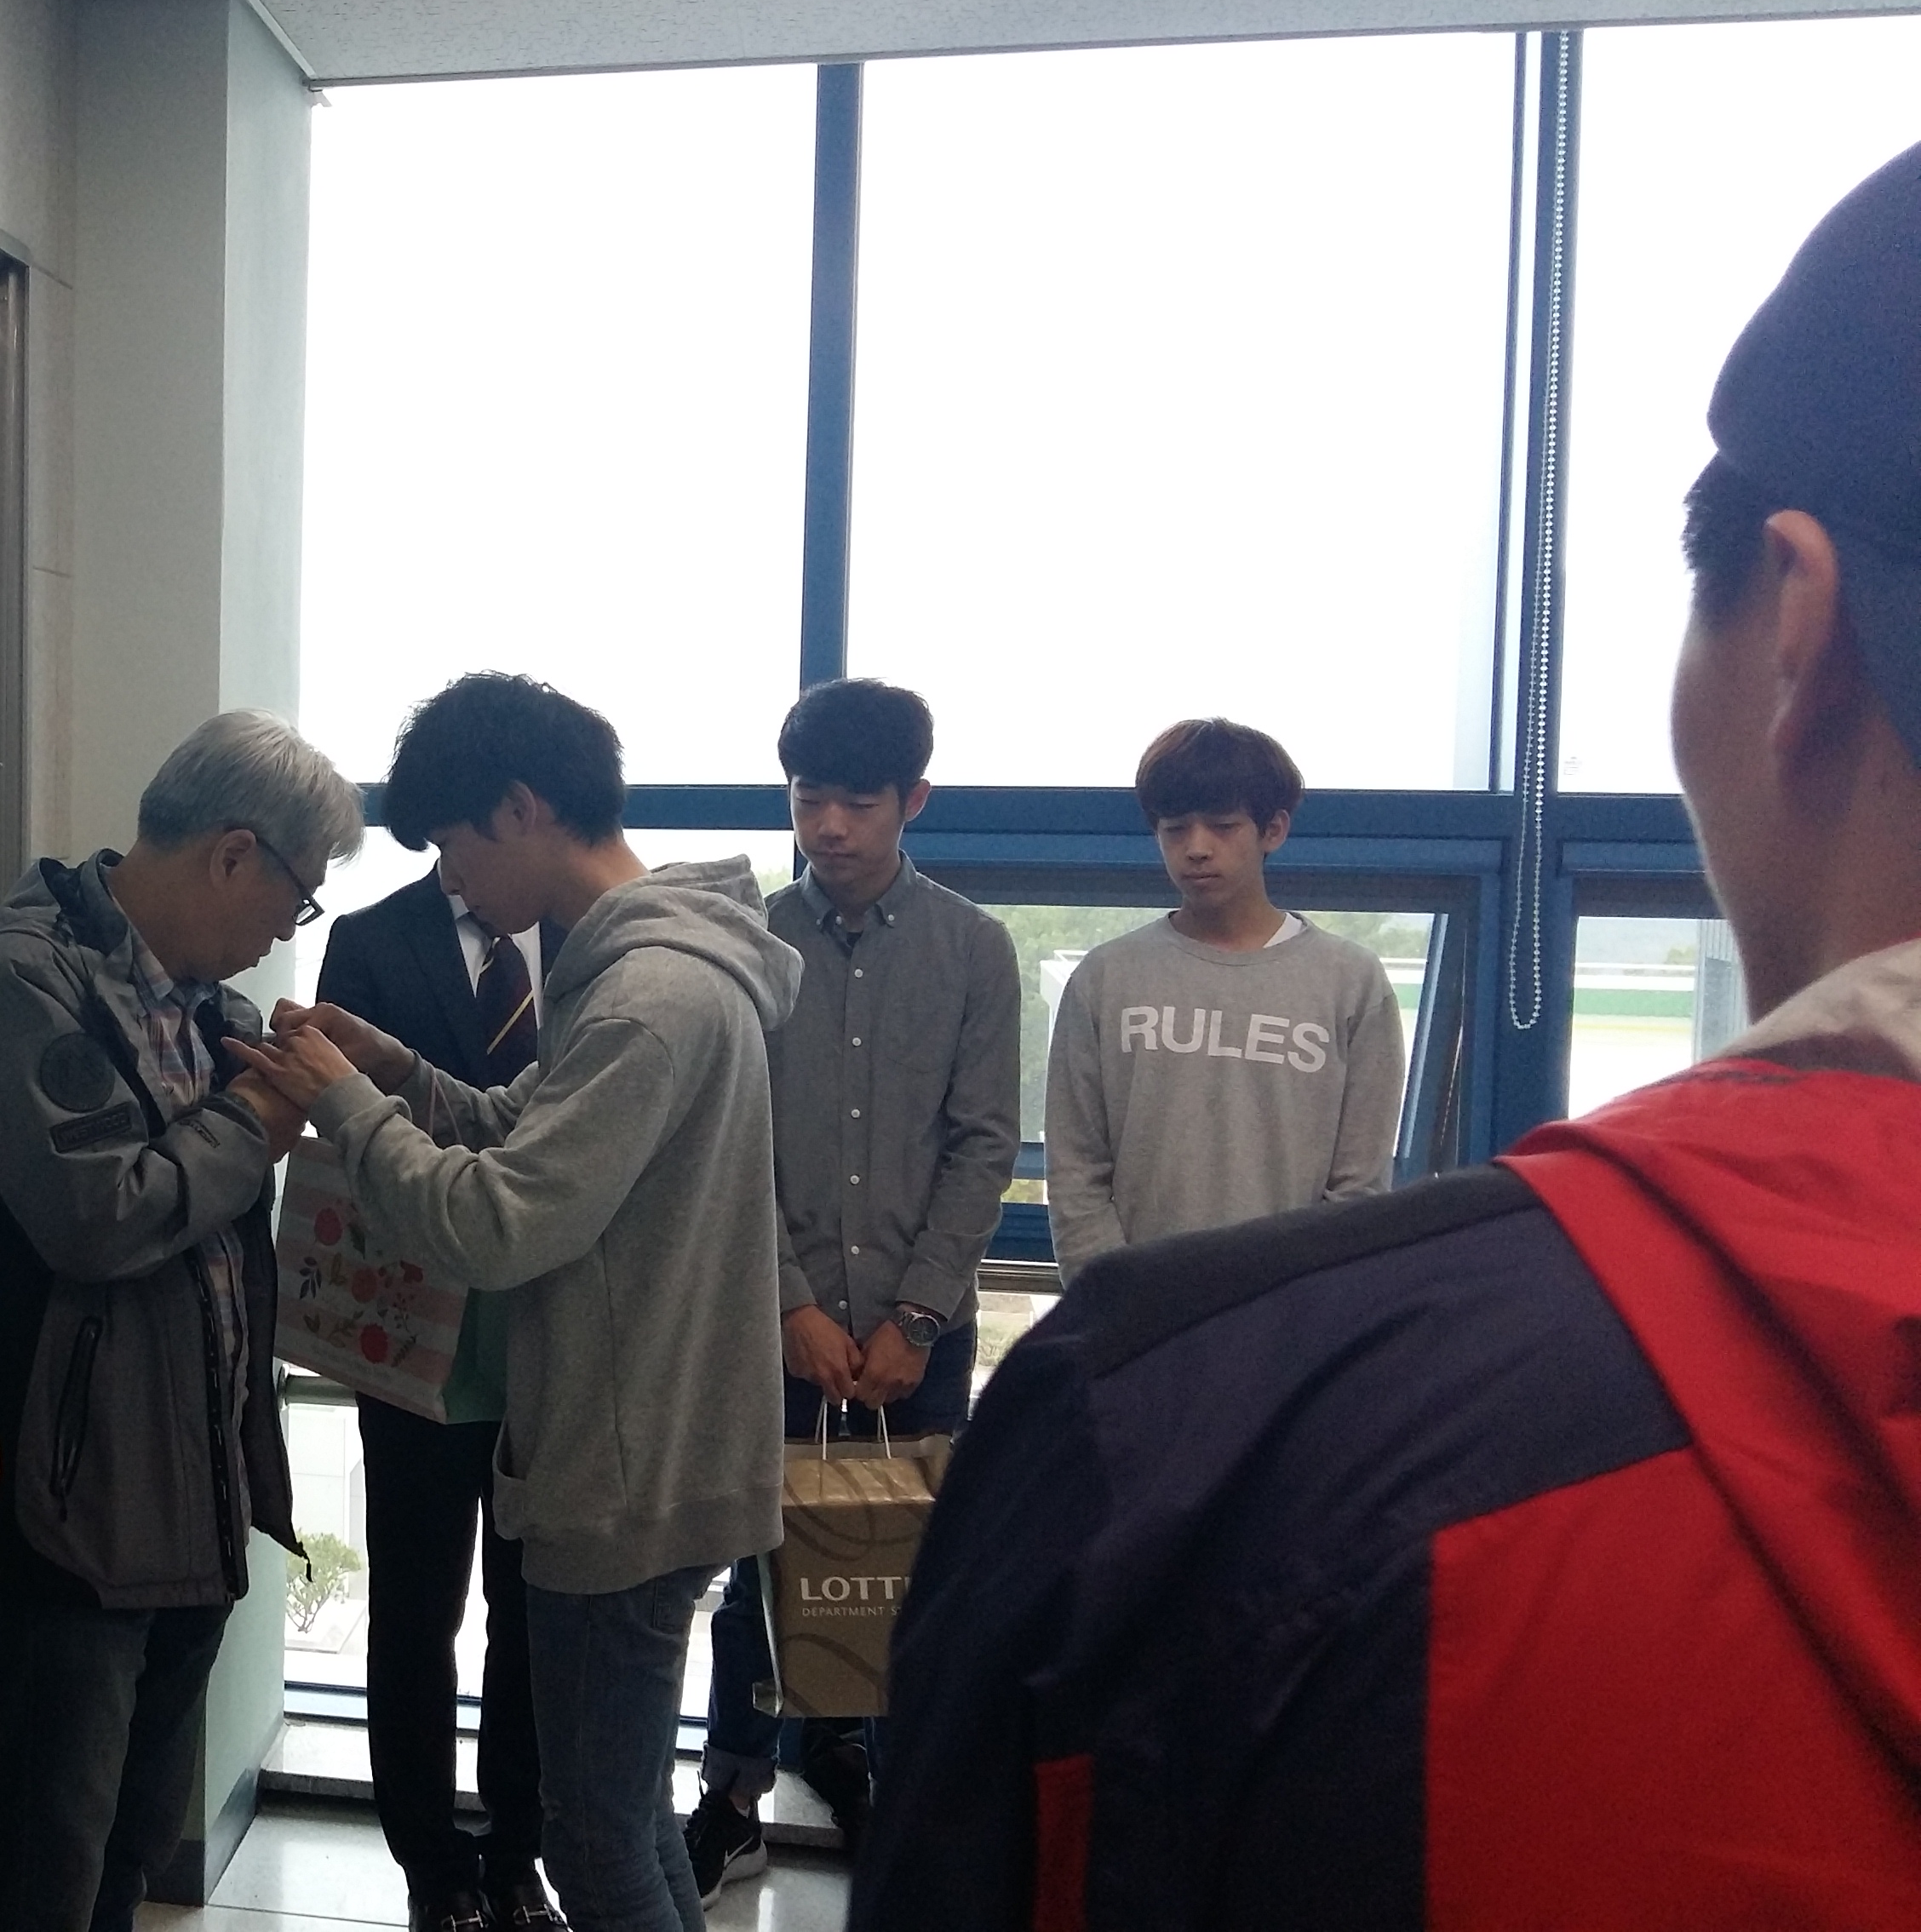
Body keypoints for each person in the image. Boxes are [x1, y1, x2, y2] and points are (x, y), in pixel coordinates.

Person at [858, 140, 1921, 1929]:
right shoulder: (1115, 1018)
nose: (1192, 848)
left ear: (1792, 624)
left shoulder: (1252, 1447)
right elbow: (1079, 1156)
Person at [233, 674, 800, 1932]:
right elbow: (512, 1126)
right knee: (629, 1824)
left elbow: (497, 1223)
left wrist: (344, 1103)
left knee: (595, 1849)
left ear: (522, 808)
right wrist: (393, 1068)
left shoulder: (648, 1000)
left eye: (454, 845)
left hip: (624, 1465)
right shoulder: (650, 971)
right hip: (657, 1449)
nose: (453, 880)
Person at [0, 710, 361, 1932]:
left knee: (130, 1851)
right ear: (234, 854)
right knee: (46, 1865)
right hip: (68, 1515)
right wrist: (255, 1123)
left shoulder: (209, 1007)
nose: (286, 929)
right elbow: (98, 1215)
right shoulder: (20, 980)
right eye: (297, 896)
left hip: (189, 1503)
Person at [683, 679, 1018, 1895]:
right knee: (756, 1561)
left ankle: (883, 1779)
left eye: (857, 802)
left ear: (913, 799)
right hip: (772, 1321)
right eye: (808, 798)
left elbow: (984, 1143)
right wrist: (792, 1305)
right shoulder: (751, 942)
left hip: (921, 1331)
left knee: (906, 1565)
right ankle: (732, 1796)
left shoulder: (974, 947)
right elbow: (732, 1142)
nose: (829, 825)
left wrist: (916, 1317)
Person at [314, 867, 567, 1932]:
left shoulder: (584, 936)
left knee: (534, 1610)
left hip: (552, 1334)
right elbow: (343, 1131)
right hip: (414, 1326)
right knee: (417, 1610)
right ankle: (430, 1861)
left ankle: (518, 1852)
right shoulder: (372, 940)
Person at [1042, 719, 1403, 1264]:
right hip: (1139, 1301)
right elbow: (1076, 1171)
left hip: (1291, 1301)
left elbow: (1359, 1187)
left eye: (1223, 826)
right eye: (1175, 829)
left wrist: (1306, 1298)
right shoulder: (1107, 977)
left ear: (1273, 830)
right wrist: (1115, 1296)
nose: (1197, 848)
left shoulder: (1351, 981)